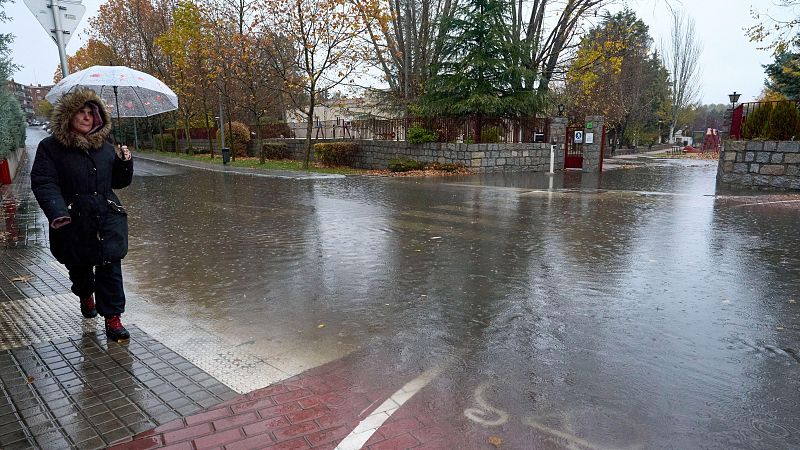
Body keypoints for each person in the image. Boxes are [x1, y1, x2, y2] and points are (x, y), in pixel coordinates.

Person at [31, 88, 134, 342]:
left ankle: (113, 318)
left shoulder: (106, 148)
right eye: (82, 112)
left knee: (110, 267)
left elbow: (119, 183)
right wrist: (58, 212)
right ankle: (86, 295)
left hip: (107, 217)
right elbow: (44, 182)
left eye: (92, 112)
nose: (87, 117)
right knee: (80, 268)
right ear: (68, 115)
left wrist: (124, 162)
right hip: (74, 221)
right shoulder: (50, 148)